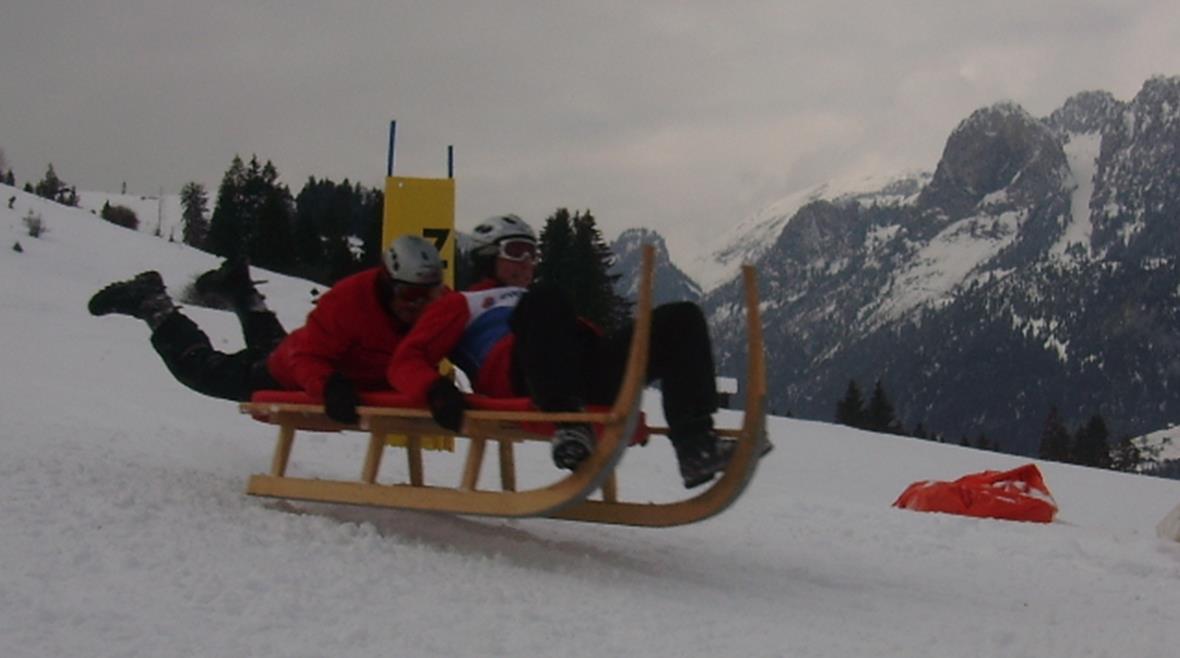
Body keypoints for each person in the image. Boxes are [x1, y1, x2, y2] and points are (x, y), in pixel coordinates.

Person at [388, 214, 737, 489]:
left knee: (682, 318)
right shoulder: (460, 303)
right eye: (515, 252)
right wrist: (436, 392)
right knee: (547, 297)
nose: (526, 262)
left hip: (581, 371)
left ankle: (695, 444)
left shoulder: (537, 301)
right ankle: (568, 424)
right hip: (523, 378)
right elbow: (407, 359)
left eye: (531, 253)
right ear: (487, 257)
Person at [87, 235, 445, 423]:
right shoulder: (348, 302)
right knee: (204, 370)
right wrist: (330, 385)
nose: (420, 305)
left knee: (274, 345)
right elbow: (306, 357)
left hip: (307, 358)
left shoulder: (438, 308)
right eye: (411, 294)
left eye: (429, 294)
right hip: (296, 371)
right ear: (388, 283)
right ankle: (152, 303)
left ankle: (239, 289)